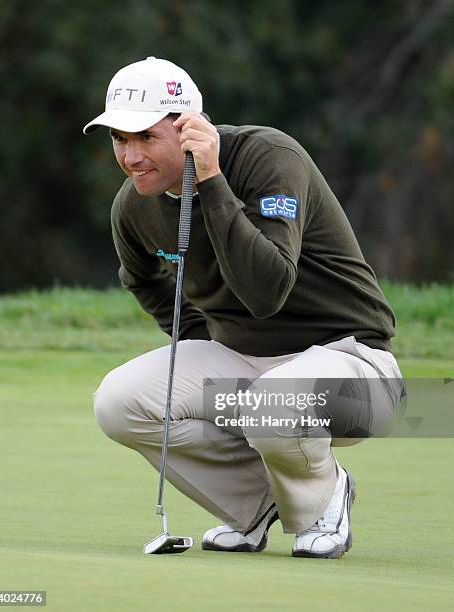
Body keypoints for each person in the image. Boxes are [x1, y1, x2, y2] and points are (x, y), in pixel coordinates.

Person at [83, 56, 403, 558]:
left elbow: (266, 291)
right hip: (246, 368)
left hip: (356, 366)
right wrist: (200, 342)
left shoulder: (269, 158)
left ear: (190, 127)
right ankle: (255, 505)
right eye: (119, 139)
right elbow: (142, 281)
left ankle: (324, 499)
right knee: (120, 403)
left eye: (146, 136)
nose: (130, 156)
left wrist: (211, 181)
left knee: (269, 403)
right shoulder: (134, 206)